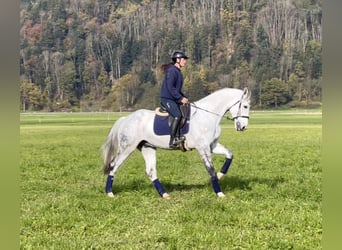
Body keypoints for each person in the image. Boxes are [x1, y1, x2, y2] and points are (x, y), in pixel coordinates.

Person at [160, 50, 189, 148]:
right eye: (184, 59)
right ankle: (172, 140)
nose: (185, 61)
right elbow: (170, 88)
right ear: (178, 60)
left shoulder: (177, 71)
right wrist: (180, 98)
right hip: (167, 99)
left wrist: (184, 98)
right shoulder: (172, 71)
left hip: (173, 98)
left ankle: (179, 136)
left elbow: (177, 89)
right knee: (177, 115)